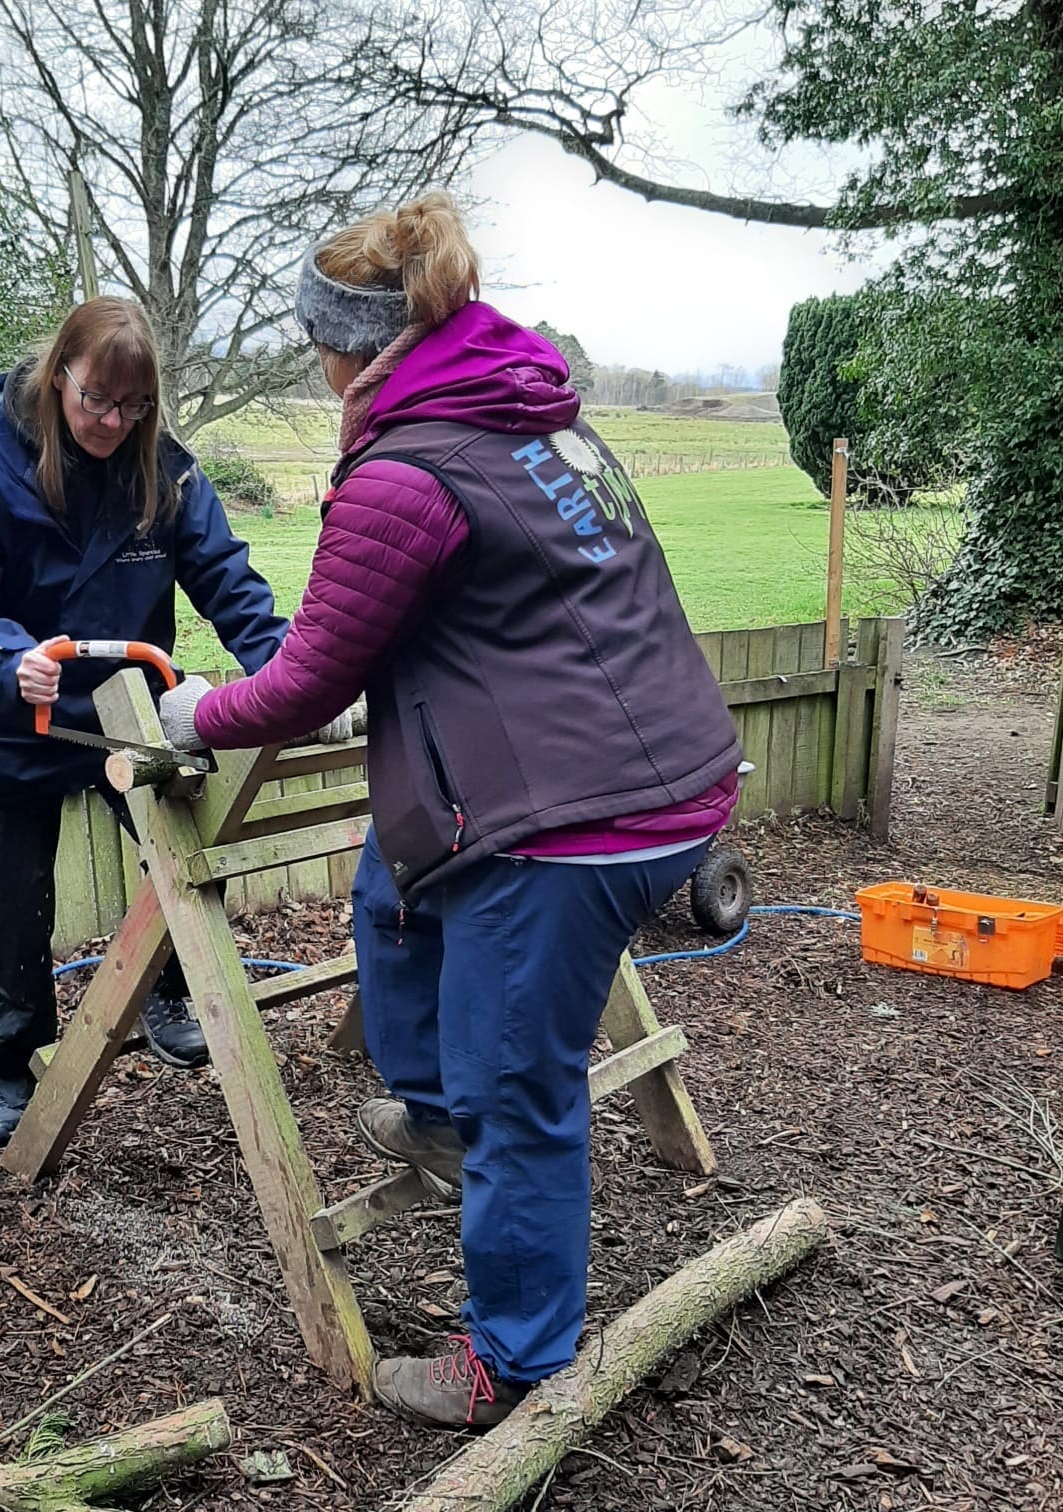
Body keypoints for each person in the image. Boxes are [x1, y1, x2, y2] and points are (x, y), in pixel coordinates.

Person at [156, 194, 743, 1428]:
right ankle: (431, 1117)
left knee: (518, 1091)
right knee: (395, 884)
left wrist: (195, 717)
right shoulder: (535, 419)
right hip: (654, 777)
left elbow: (312, 677)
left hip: (576, 825)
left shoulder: (411, 466)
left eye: (316, 346)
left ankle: (513, 1367)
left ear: (349, 347)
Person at [0, 296, 291, 1150]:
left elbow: (229, 582)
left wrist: (291, 674)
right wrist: (9, 655)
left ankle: (166, 989)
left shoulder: (163, 473)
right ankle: (8, 1067)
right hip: (12, 710)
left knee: (191, 838)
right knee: (8, 906)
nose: (113, 422)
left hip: (128, 704)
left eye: (133, 407)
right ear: (60, 379)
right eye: (97, 401)